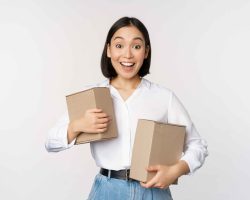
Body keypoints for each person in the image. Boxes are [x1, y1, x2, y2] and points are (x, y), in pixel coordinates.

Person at [45, 16, 208, 200]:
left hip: (153, 190)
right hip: (107, 191)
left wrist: (176, 170)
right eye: (119, 45)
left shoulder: (164, 97)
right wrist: (77, 126)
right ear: (108, 50)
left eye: (136, 46)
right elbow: (50, 143)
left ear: (146, 52)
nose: (128, 55)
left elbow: (197, 145)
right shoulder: (92, 96)